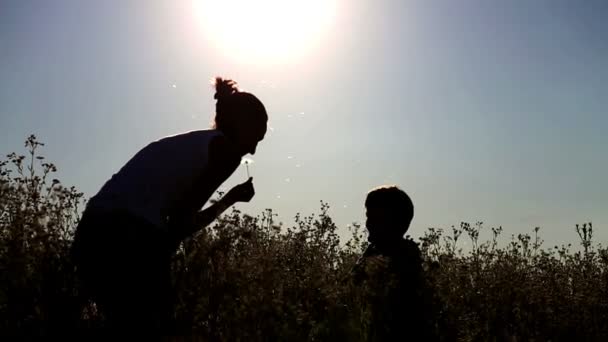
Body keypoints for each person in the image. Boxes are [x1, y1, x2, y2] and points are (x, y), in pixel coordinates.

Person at [71, 77, 268, 335]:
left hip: (92, 230)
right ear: (242, 126)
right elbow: (179, 226)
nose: (252, 150)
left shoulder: (196, 142)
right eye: (256, 138)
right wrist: (228, 201)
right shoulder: (226, 153)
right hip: (127, 235)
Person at [352, 185, 436, 341]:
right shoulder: (376, 254)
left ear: (391, 222)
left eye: (374, 217)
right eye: (368, 216)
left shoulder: (401, 260)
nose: (368, 224)